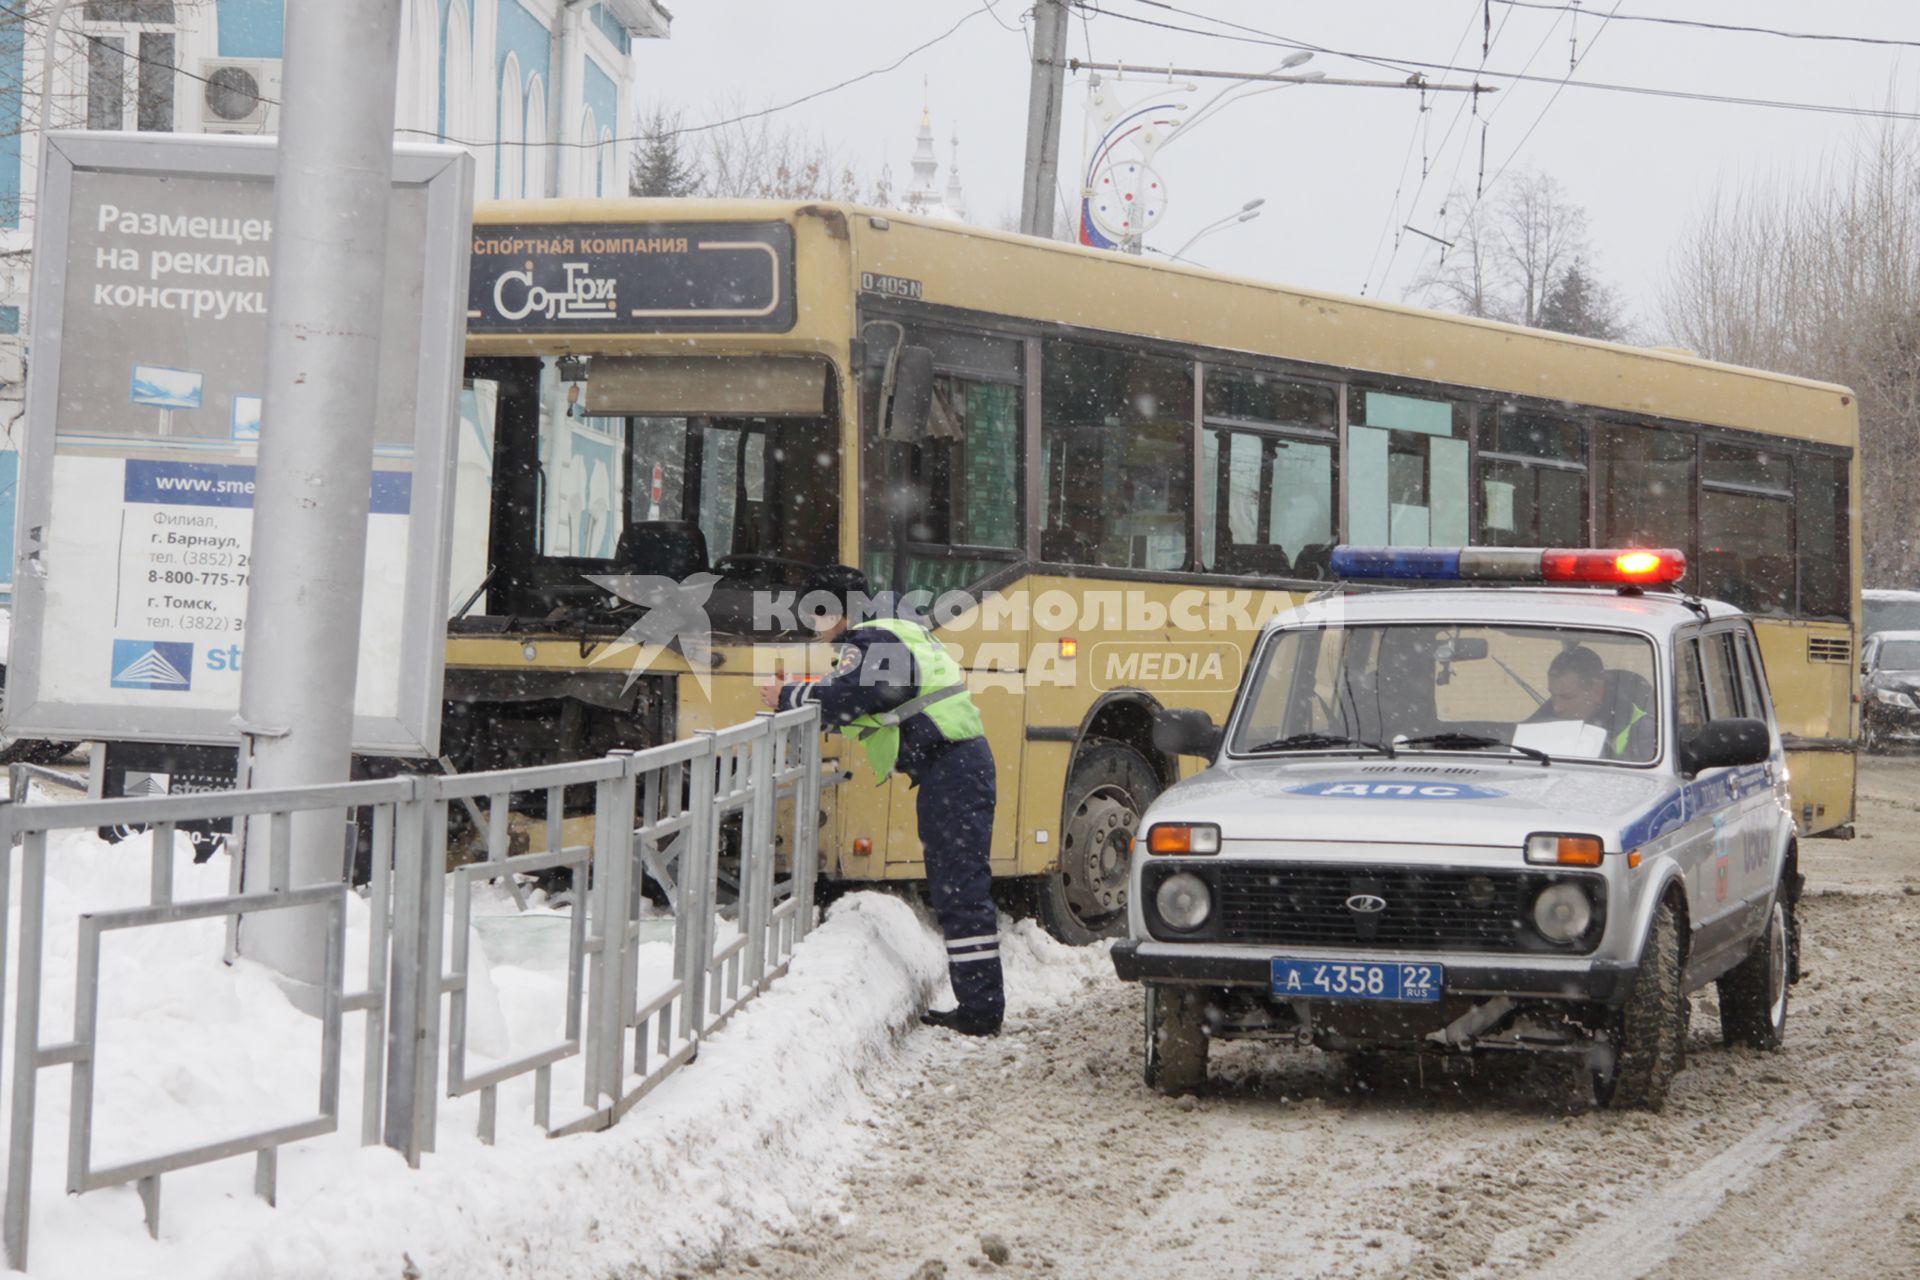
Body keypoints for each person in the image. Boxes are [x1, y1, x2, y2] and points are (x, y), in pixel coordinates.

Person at [760, 565, 1005, 1036]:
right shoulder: (892, 630)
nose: (814, 626)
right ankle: (980, 1004)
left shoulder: (874, 637)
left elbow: (861, 696)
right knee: (957, 885)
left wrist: (788, 695)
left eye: (816, 613)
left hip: (953, 770)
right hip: (954, 767)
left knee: (960, 888)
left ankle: (981, 1011)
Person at [1527, 645, 1650, 759]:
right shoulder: (1544, 718)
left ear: (1597, 691)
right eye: (1553, 695)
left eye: (1567, 697)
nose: (1557, 707)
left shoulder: (1644, 732)